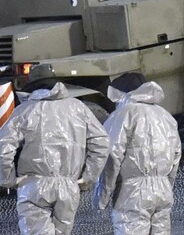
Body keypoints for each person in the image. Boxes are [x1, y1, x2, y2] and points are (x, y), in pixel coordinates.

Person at [0, 82, 110, 235]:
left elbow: (3, 148)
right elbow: (101, 142)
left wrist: (8, 179)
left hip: (33, 185)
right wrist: (88, 177)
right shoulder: (79, 108)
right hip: (69, 186)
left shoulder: (25, 110)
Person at [93, 74, 182, 235]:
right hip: (163, 190)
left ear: (121, 94)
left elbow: (111, 157)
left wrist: (102, 197)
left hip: (132, 193)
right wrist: (167, 186)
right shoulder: (166, 117)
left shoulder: (123, 115)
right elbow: (176, 157)